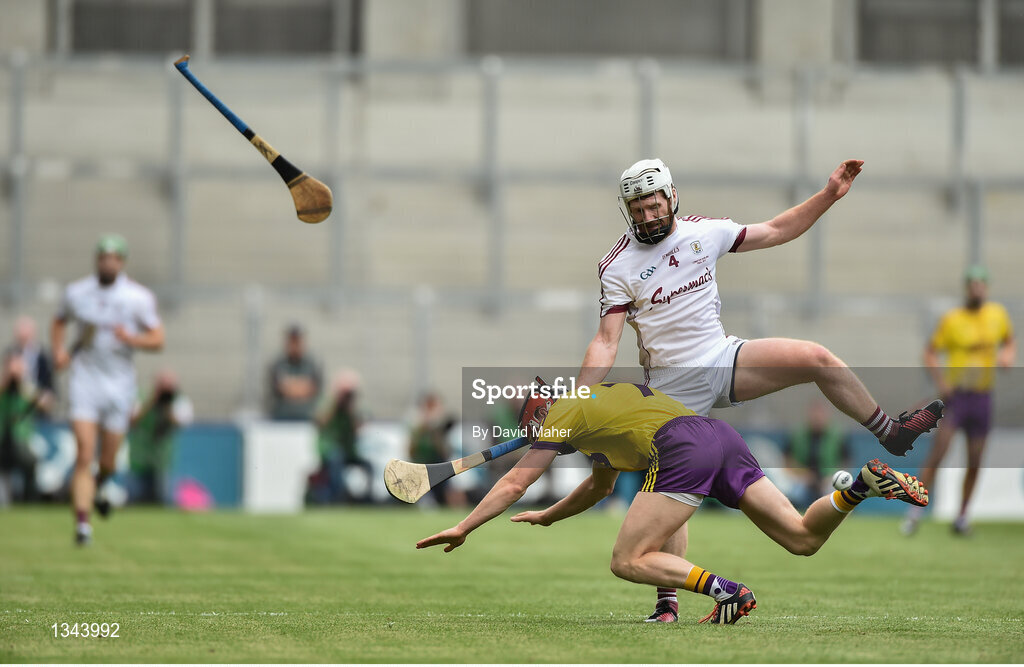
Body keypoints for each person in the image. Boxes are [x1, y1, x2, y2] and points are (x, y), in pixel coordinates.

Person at [578, 157, 943, 621]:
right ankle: (667, 605)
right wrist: (579, 396)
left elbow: (776, 230)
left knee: (816, 358)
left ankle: (891, 433)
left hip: (724, 358)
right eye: (638, 209)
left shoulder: (703, 233)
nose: (647, 217)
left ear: (671, 197)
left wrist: (829, 194)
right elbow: (605, 342)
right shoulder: (617, 265)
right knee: (706, 509)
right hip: (672, 395)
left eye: (653, 205)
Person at [416, 382, 929, 624]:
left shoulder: (564, 413)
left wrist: (465, 526)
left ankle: (727, 590)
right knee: (801, 537)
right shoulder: (598, 412)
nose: (538, 439)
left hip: (682, 446)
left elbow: (511, 485)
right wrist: (551, 517)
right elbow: (597, 487)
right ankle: (858, 486)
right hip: (719, 438)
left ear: (543, 411)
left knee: (625, 559)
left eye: (534, 428)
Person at [51, 234, 165, 545]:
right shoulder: (78, 292)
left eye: (114, 258)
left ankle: (99, 485)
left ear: (122, 262)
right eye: (103, 257)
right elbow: (59, 321)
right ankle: (83, 524)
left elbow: (158, 339)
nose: (108, 263)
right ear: (96, 260)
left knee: (108, 462)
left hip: (119, 385)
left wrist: (131, 339)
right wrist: (59, 351)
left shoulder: (137, 298)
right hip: (85, 381)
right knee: (84, 454)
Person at [902, 266, 1016, 536]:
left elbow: (1009, 341)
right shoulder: (953, 319)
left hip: (983, 397)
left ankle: (962, 516)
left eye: (981, 284)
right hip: (958, 396)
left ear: (986, 288)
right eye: (972, 284)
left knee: (975, 459)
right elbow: (930, 352)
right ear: (966, 288)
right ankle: (914, 512)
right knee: (939, 454)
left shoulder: (997, 315)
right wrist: (941, 382)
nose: (977, 289)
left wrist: (1008, 355)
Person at [127, 370, 194, 504]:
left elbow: (181, 422)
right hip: (138, 459)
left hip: (162, 460)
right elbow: (131, 420)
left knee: (162, 500)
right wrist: (151, 402)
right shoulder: (141, 396)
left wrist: (166, 407)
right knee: (134, 500)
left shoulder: (179, 400)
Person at [312, 369, 372, 503]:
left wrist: (350, 409)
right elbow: (320, 423)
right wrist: (335, 404)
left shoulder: (353, 409)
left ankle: (365, 499)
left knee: (368, 466)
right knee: (336, 459)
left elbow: (358, 428)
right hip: (329, 450)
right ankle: (338, 497)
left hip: (348, 451)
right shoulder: (327, 404)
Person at [783, 400, 852, 509]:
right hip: (803, 477)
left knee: (836, 491)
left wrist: (832, 476)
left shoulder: (836, 436)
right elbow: (787, 460)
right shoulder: (799, 435)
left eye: (821, 414)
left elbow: (846, 461)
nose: (817, 417)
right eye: (815, 413)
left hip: (828, 478)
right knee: (794, 491)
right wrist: (802, 474)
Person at [409, 391, 464, 507]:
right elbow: (411, 452)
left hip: (439, 469)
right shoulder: (416, 427)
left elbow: (445, 453)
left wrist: (436, 433)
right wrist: (423, 429)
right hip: (421, 469)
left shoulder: (443, 428)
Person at [0, 352, 38, 506]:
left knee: (30, 461)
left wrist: (22, 381)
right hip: (2, 439)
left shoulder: (26, 388)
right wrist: (7, 377)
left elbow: (45, 402)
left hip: (20, 440)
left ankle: (29, 501)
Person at [267, 324, 322, 421]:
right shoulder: (277, 364)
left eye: (297, 340)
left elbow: (313, 389)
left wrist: (291, 386)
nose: (295, 345)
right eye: (292, 340)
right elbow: (280, 389)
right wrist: (301, 387)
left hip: (307, 418)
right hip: (281, 419)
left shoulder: (313, 364)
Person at [5, 315, 55, 417]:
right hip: (13, 416)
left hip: (37, 417)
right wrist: (8, 374)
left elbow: (50, 398)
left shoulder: (43, 359)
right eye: (21, 338)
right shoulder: (10, 355)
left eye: (26, 338)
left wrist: (25, 383)